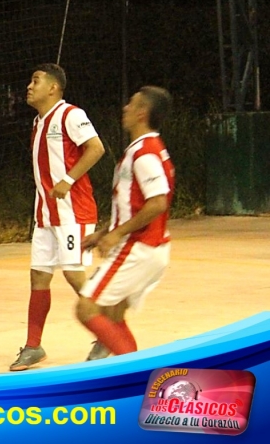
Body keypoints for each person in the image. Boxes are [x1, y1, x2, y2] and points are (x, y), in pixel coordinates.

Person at [9, 63, 105, 372]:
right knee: (39, 275)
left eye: (35, 80)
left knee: (74, 274)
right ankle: (34, 346)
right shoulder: (38, 122)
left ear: (53, 87)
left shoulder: (70, 115)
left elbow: (96, 148)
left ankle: (106, 333)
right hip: (45, 215)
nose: (29, 86)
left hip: (72, 213)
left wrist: (68, 179)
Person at [76, 86, 174, 358]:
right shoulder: (146, 149)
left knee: (86, 308)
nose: (125, 108)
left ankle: (135, 378)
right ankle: (131, 373)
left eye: (131, 104)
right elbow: (138, 206)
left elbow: (157, 203)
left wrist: (116, 234)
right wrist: (104, 233)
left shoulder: (145, 153)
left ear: (142, 113)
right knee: (113, 314)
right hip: (149, 246)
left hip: (140, 246)